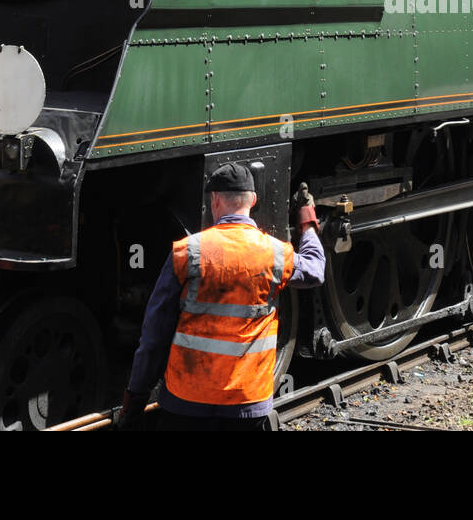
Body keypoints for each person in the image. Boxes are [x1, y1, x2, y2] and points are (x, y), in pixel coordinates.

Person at [119, 162, 325, 431]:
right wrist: (307, 223)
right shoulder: (275, 254)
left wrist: (135, 400)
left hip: (185, 402)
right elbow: (315, 270)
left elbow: (154, 336)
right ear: (253, 200)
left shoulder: (187, 252)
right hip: (247, 403)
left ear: (214, 199)